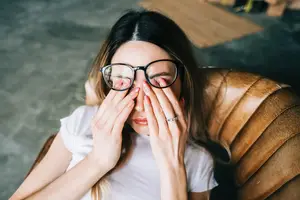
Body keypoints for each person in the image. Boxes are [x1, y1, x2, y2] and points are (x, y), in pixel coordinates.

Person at [10, 9, 218, 200]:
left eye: (158, 81)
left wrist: (172, 166)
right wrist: (97, 161)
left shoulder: (197, 161)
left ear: (183, 83)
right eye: (123, 80)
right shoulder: (83, 122)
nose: (140, 104)